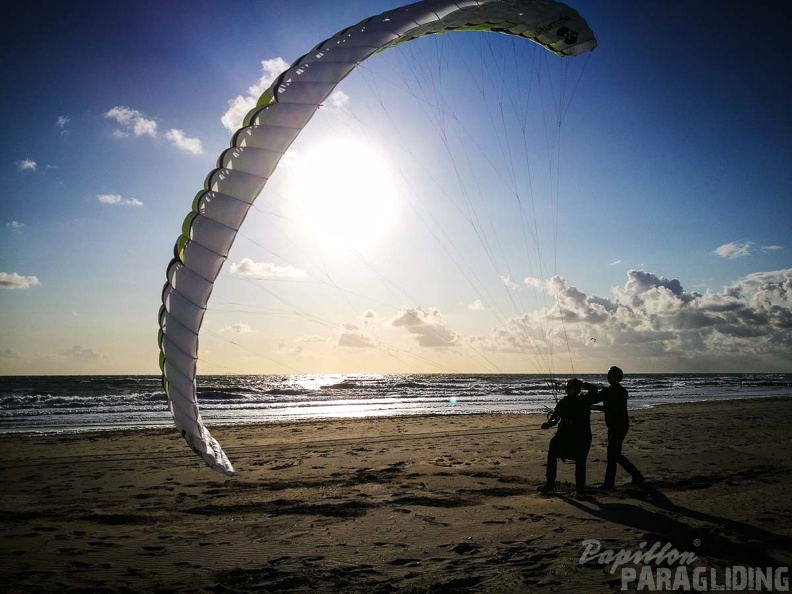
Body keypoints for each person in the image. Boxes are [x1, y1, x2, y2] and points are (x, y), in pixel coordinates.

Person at [589, 366, 645, 489]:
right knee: (615, 454)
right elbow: (594, 399)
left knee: (612, 454)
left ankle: (609, 483)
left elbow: (614, 408)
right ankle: (636, 475)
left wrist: (596, 408)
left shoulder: (622, 392)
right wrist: (589, 388)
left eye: (614, 376)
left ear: (619, 378)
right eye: (610, 376)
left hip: (621, 425)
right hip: (612, 425)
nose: (612, 378)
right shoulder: (606, 391)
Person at [539, 378, 596, 496]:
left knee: (580, 461)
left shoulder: (584, 400)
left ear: (576, 389)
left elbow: (594, 390)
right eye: (567, 387)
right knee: (553, 450)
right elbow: (555, 416)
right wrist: (548, 424)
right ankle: (550, 484)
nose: (567, 389)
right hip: (564, 434)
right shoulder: (563, 402)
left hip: (581, 436)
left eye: (570, 387)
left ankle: (580, 490)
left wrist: (583, 384)